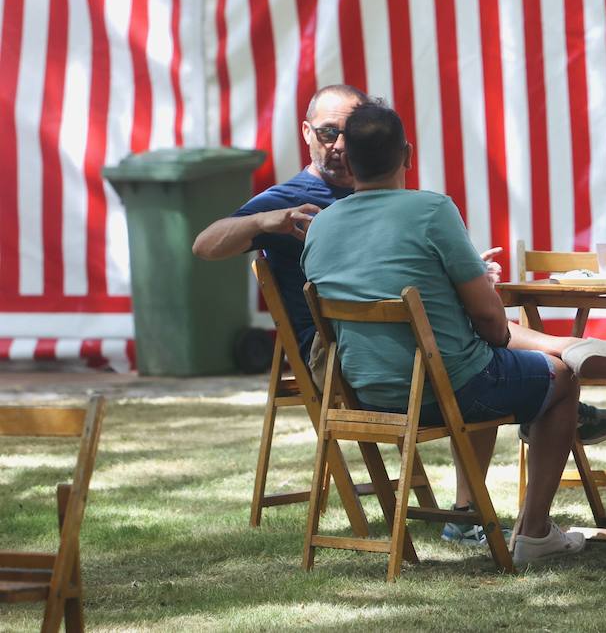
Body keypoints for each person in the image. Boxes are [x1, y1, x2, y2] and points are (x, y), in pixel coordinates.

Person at [302, 100, 585, 568]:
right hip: (450, 388)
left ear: (348, 161)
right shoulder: (432, 211)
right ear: (407, 154)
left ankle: (470, 510)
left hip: (364, 394)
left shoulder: (321, 225)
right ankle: (535, 531)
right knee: (562, 378)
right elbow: (493, 326)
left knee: (504, 370)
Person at [193, 84, 367, 354]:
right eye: (329, 132)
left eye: (352, 133)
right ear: (307, 132)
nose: (340, 145)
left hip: (380, 335)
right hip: (334, 350)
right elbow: (204, 246)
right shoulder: (287, 200)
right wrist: (261, 221)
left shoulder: (378, 188)